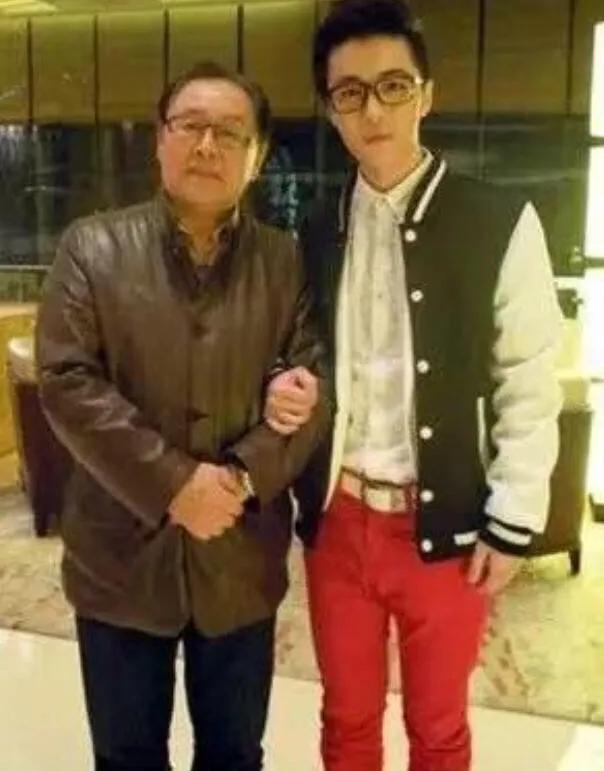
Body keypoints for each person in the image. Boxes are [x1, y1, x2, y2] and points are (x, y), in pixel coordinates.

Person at [265, 2, 563, 769]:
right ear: (330, 108)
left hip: (445, 526)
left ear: (427, 94)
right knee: (347, 719)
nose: (374, 110)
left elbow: (528, 381)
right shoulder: (316, 230)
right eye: (350, 92)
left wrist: (512, 520)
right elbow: (294, 351)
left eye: (393, 86)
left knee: (438, 726)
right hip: (338, 522)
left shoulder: (496, 220)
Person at [36, 60, 330, 771]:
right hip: (120, 558)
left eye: (229, 132)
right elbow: (67, 380)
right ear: (159, 140)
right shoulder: (91, 247)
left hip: (240, 557)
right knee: (127, 755)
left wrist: (239, 478)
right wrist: (174, 484)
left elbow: (313, 388)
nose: (206, 145)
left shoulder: (284, 262)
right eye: (190, 125)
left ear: (258, 154)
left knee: (234, 754)